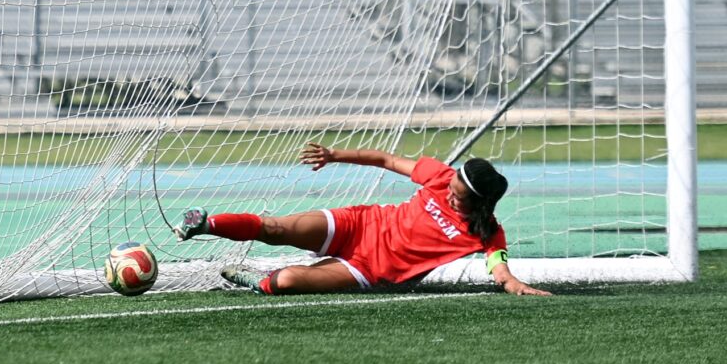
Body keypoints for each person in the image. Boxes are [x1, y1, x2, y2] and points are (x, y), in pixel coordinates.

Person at [173, 142, 551, 296]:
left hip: (369, 269)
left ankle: (255, 280)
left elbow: (500, 270)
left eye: (458, 195)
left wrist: (515, 285)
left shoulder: (486, 232)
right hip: (360, 224)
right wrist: (334, 155)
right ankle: (204, 224)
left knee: (284, 282)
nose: (449, 192)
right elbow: (386, 160)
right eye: (451, 186)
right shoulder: (439, 176)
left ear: (480, 203)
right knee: (275, 228)